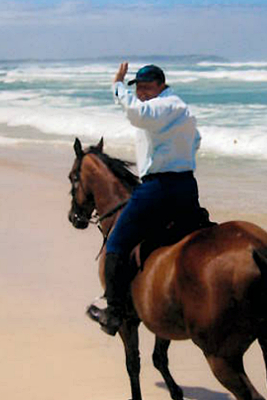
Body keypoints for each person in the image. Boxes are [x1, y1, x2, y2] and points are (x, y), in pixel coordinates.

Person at [89, 63, 202, 335]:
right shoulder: (180, 111)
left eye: (146, 86)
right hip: (187, 186)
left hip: (159, 189)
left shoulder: (163, 106)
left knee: (115, 242)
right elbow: (196, 141)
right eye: (137, 87)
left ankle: (114, 311)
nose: (140, 92)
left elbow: (137, 114)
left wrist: (117, 85)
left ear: (161, 85)